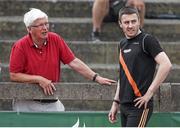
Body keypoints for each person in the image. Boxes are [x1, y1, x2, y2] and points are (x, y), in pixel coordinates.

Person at [9, 8, 116, 112]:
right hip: (26, 103)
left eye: (46, 24)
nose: (45, 28)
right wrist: (39, 79)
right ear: (29, 29)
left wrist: (96, 77)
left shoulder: (55, 39)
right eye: (40, 25)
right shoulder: (20, 46)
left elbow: (73, 62)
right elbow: (14, 75)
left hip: (52, 101)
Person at [108, 7, 172, 127]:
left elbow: (166, 64)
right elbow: (123, 75)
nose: (130, 25)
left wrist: (149, 93)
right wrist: (115, 102)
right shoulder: (122, 44)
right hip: (124, 105)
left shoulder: (147, 40)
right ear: (120, 24)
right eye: (126, 22)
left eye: (134, 21)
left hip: (140, 105)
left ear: (139, 21)